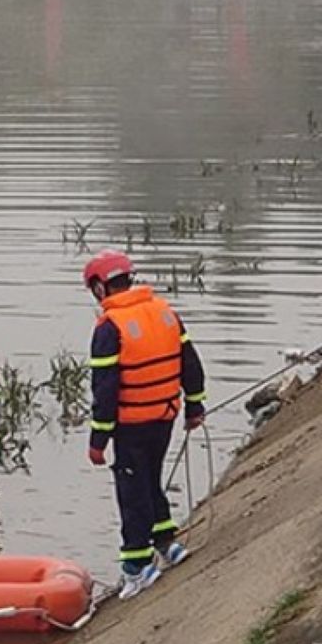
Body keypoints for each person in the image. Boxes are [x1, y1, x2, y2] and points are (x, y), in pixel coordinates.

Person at [83, 249, 207, 600]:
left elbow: (105, 388)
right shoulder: (165, 312)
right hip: (165, 415)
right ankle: (167, 542)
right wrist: (195, 404)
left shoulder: (109, 327)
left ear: (99, 289)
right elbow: (190, 362)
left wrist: (98, 438)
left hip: (132, 422)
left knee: (131, 491)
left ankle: (137, 566)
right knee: (150, 477)